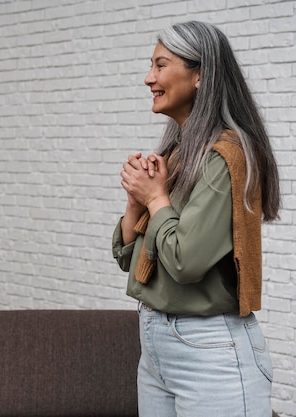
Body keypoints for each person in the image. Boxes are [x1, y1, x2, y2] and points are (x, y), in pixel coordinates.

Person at [112, 21, 280, 417]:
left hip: (210, 352)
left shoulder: (226, 157)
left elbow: (185, 262)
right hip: (155, 344)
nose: (148, 78)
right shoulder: (177, 152)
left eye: (160, 65)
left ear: (200, 74)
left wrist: (155, 197)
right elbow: (130, 261)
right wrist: (137, 203)